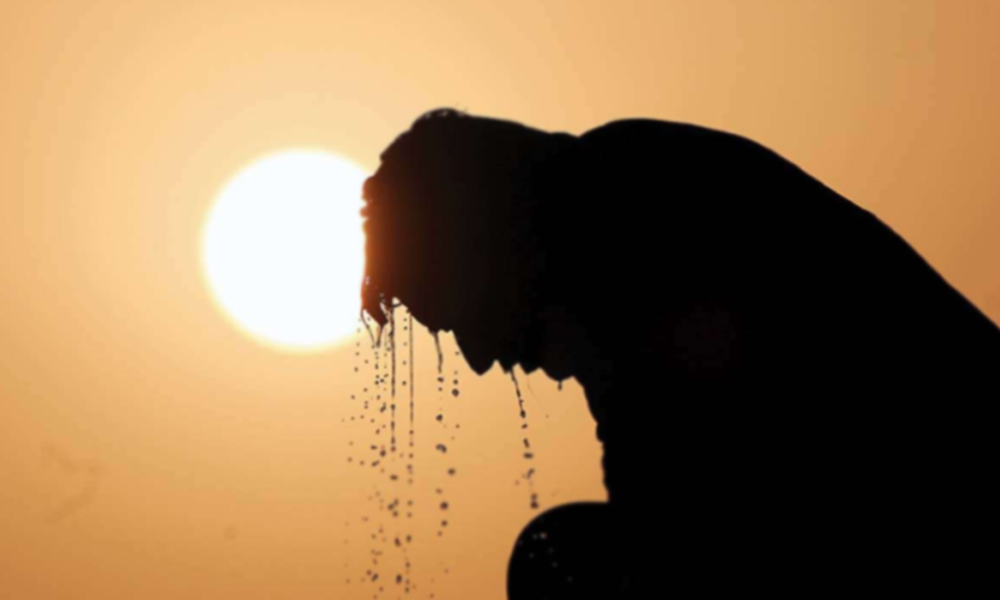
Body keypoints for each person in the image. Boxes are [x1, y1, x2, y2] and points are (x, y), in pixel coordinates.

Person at [360, 108, 999, 598]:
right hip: (867, 492)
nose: (476, 357)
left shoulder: (626, 218)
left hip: (932, 498)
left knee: (562, 561)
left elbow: (668, 518)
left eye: (459, 319)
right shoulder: (616, 191)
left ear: (484, 248)